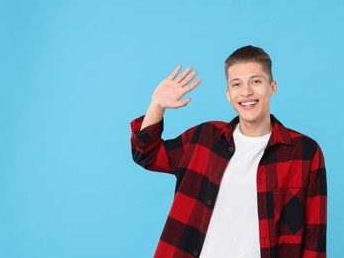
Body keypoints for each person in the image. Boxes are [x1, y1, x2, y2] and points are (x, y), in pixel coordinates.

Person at [130, 45, 327, 258]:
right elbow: (146, 154)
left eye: (256, 81)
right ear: (228, 94)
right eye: (237, 84)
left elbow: (313, 238)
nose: (246, 92)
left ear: (273, 87)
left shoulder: (304, 152)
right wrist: (157, 105)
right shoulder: (204, 139)